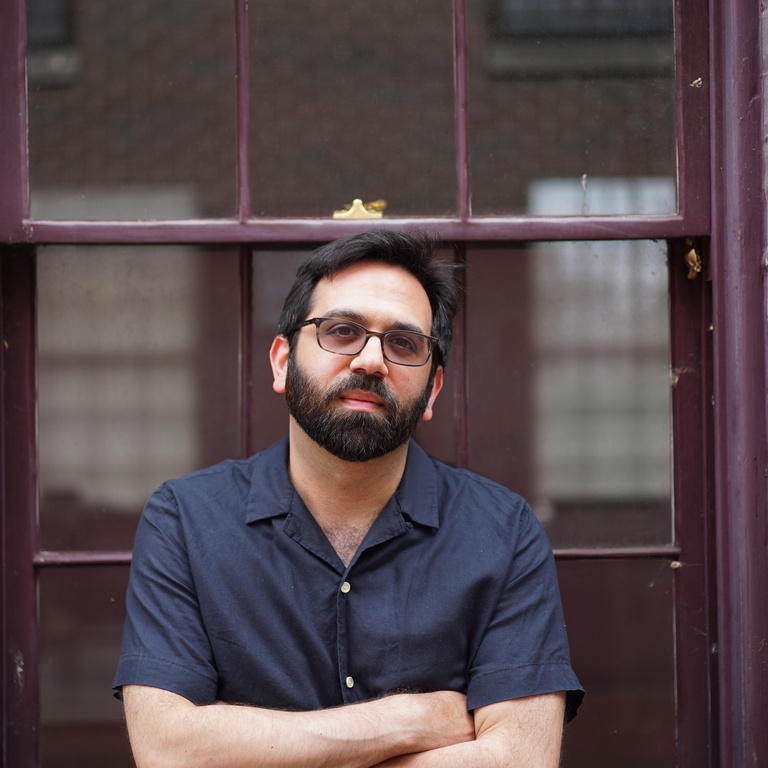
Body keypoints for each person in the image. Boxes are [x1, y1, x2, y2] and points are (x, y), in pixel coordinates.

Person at [113, 229, 583, 768]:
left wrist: (250, 747)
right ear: (282, 362)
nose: (371, 361)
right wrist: (411, 721)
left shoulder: (503, 531)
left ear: (432, 389)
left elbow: (522, 760)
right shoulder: (185, 520)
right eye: (341, 332)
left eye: (403, 344)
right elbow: (168, 752)